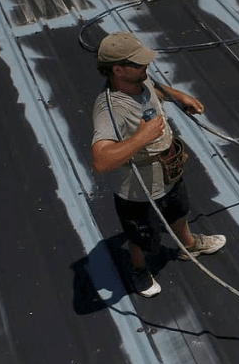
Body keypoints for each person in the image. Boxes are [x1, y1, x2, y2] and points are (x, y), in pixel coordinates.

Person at [91, 31, 227, 297]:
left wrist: (178, 97)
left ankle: (189, 245)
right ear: (118, 69)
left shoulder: (139, 80)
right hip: (138, 190)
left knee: (178, 210)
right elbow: (100, 160)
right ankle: (139, 270)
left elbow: (154, 88)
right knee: (141, 236)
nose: (147, 66)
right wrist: (143, 137)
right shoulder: (109, 108)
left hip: (168, 171)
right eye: (139, 63)